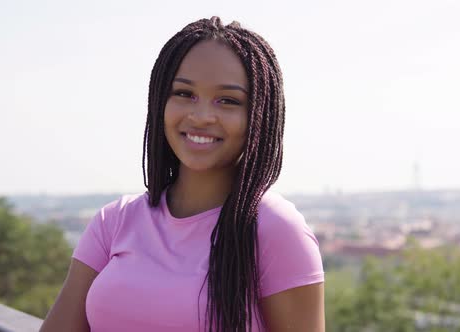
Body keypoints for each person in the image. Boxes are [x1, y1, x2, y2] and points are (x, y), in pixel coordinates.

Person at [40, 17, 324, 332]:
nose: (201, 116)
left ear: (259, 116)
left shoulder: (276, 229)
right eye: (184, 93)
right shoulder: (113, 222)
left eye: (228, 101)